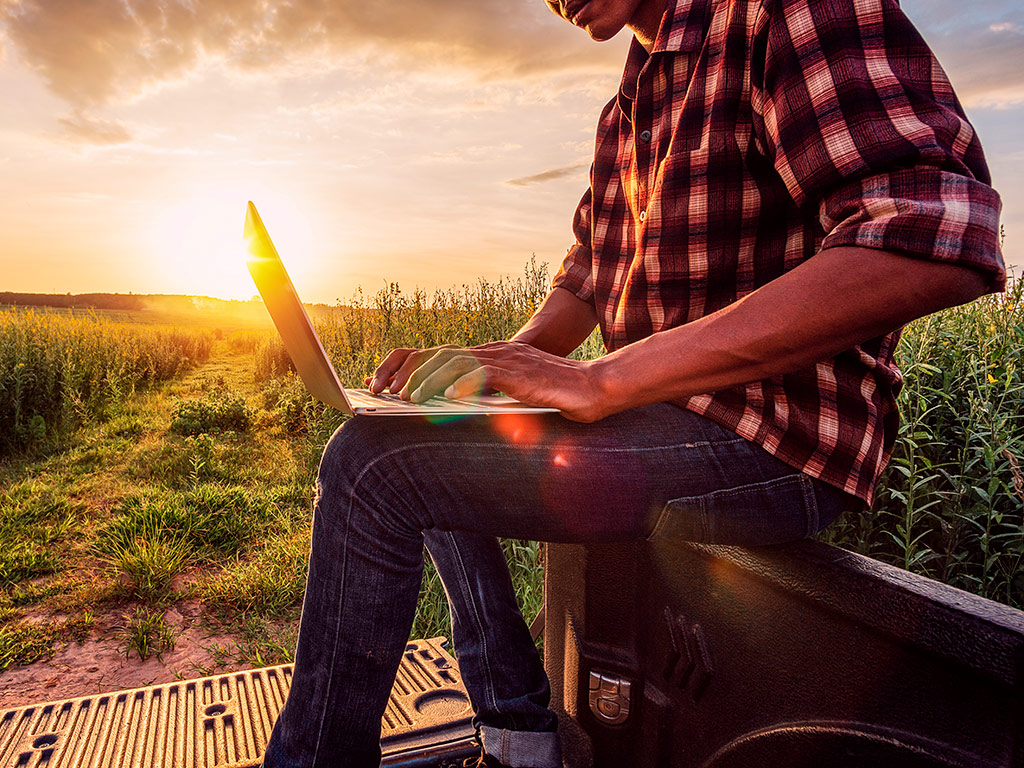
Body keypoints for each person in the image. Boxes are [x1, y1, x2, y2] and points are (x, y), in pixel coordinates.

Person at [261, 0, 1005, 765]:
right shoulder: (626, 111)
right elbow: (586, 279)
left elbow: (935, 236)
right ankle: (519, 733)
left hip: (777, 436)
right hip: (661, 418)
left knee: (370, 468)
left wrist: (606, 379)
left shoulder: (777, 14)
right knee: (428, 427)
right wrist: (483, 371)